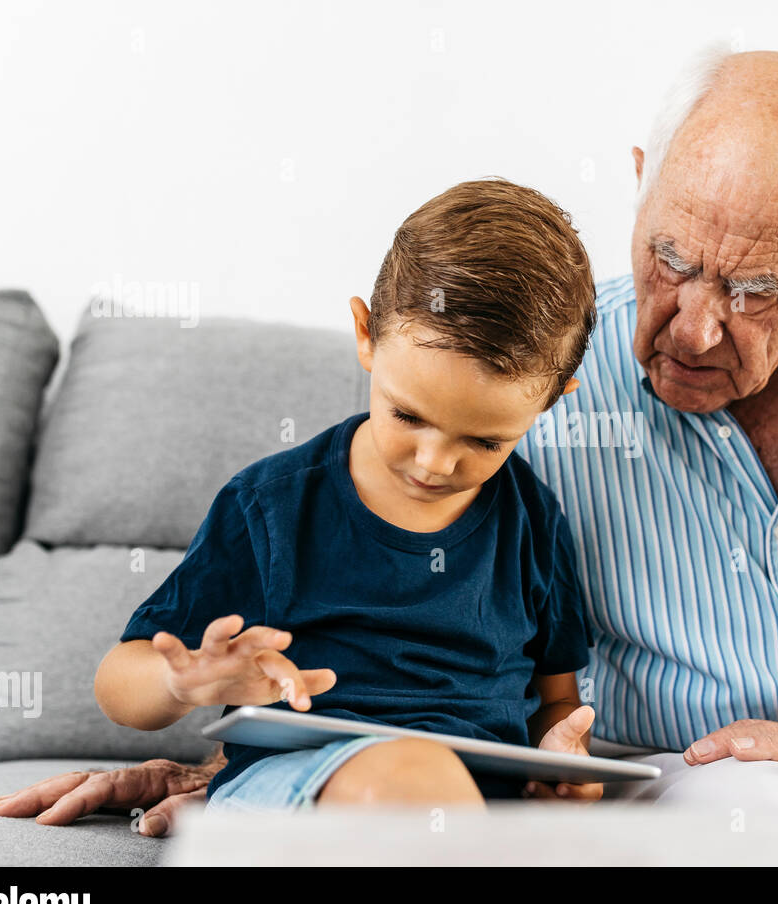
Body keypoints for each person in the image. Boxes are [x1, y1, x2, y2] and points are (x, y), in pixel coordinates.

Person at [0, 49, 778, 836]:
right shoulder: (532, 369)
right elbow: (373, 635)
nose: (691, 326)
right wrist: (255, 768)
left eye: (754, 290)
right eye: (670, 260)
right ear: (638, 187)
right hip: (715, 777)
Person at [93, 177, 603, 813]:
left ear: (555, 399)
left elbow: (555, 699)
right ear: (365, 334)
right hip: (301, 783)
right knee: (406, 784)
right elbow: (119, 682)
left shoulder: (534, 521)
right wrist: (180, 680)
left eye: (485, 441)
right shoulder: (273, 506)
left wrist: (563, 757)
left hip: (483, 804)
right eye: (408, 416)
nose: (434, 462)